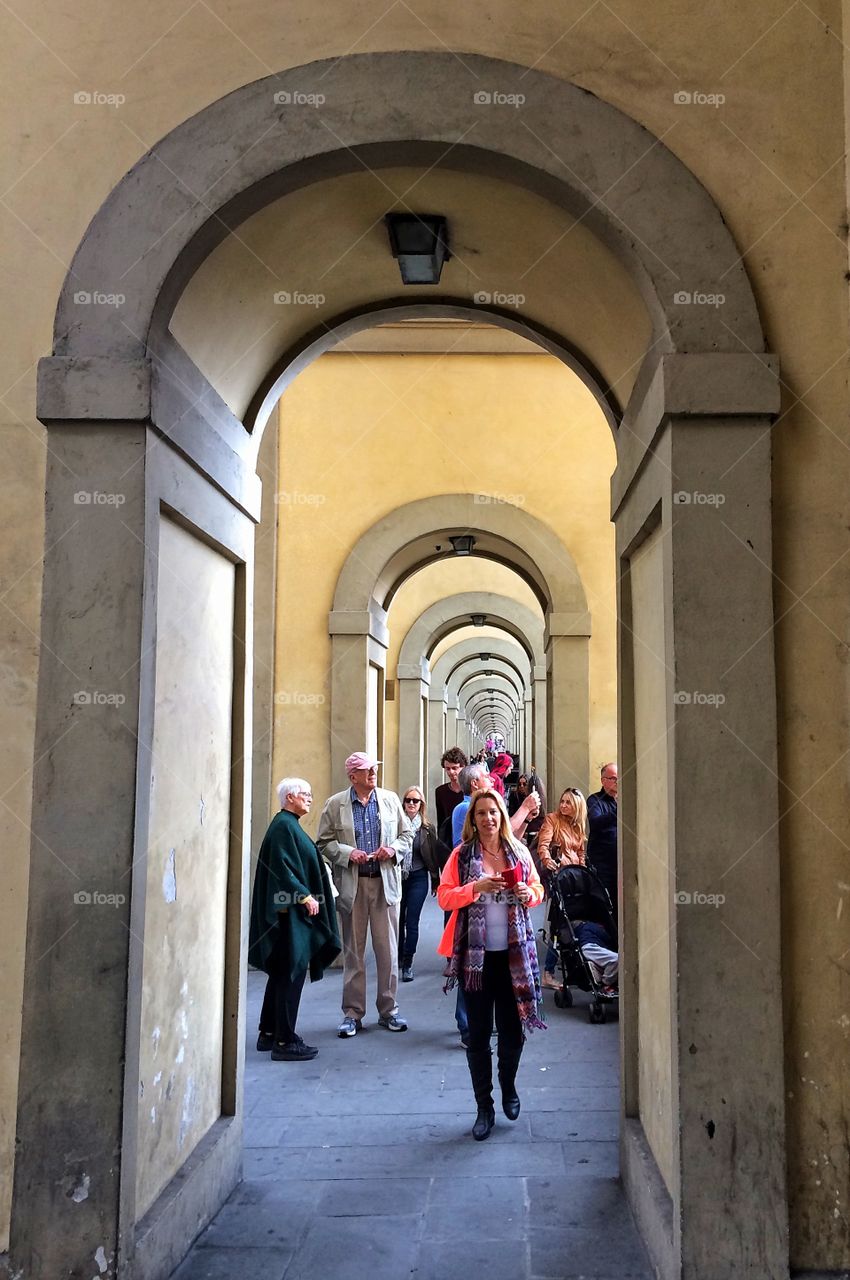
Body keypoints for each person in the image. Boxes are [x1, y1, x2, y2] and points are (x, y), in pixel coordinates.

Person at [437, 788, 546, 1140]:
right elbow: (443, 897)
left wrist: (531, 894)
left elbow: (536, 888)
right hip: (475, 960)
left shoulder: (518, 851)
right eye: (481, 813)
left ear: (502, 815)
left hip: (514, 958)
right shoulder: (461, 855)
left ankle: (508, 1084)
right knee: (480, 1036)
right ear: (473, 819)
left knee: (513, 1034)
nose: (488, 818)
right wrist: (476, 887)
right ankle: (484, 1106)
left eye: (493, 812)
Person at [316, 752, 412, 1036]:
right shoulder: (335, 804)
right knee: (354, 953)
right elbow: (323, 842)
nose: (372, 772)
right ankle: (353, 1013)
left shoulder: (391, 800)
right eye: (366, 770)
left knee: (388, 951)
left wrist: (393, 849)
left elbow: (407, 835)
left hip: (384, 884)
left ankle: (389, 1010)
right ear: (352, 776)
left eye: (374, 768)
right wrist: (348, 853)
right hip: (354, 885)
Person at [248, 777, 341, 1060]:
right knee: (291, 972)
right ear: (289, 797)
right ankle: (285, 1041)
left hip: (290, 915)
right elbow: (281, 868)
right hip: (290, 917)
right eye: (305, 794)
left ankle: (269, 1032)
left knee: (280, 973)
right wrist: (304, 896)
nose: (310, 798)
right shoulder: (284, 827)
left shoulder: (287, 825)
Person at [537, 787, 588, 988]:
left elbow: (581, 851)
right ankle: (548, 972)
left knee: (573, 922)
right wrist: (548, 861)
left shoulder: (578, 826)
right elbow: (544, 844)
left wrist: (583, 872)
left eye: (569, 802)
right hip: (559, 876)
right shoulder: (552, 819)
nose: (564, 805)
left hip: (575, 878)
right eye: (562, 801)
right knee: (558, 924)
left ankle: (574, 966)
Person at [398, 785, 449, 981]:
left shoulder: (427, 829)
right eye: (408, 800)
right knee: (398, 920)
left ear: (421, 805)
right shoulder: (395, 825)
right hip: (398, 878)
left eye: (415, 801)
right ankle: (399, 958)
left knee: (412, 921)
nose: (411, 803)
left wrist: (436, 880)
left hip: (418, 878)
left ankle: (408, 962)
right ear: (403, 803)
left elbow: (433, 855)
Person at [587, 763, 618, 923]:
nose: (617, 782)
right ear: (603, 780)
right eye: (613, 778)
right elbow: (596, 823)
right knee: (605, 905)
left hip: (621, 864)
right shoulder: (595, 800)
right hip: (602, 866)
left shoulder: (622, 801)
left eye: (619, 778)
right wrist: (619, 809)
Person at [434, 746, 468, 831]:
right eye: (447, 768)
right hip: (448, 838)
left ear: (463, 767)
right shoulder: (440, 792)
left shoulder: (471, 790)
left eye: (454, 768)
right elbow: (441, 821)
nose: (451, 772)